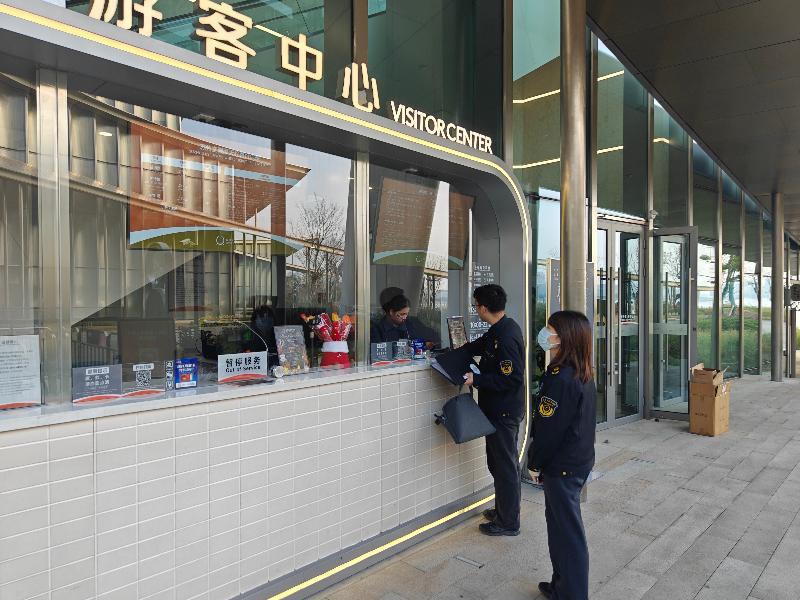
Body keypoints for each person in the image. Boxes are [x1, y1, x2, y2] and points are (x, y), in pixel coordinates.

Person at [527, 310, 596, 600]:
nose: (545, 334)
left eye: (549, 329)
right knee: (559, 528)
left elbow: (549, 429)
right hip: (577, 461)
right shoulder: (581, 370)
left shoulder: (562, 377)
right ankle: (562, 586)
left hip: (563, 466)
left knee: (567, 534)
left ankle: (572, 594)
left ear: (563, 336)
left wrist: (534, 462)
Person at [461, 284, 525, 536]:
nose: (476, 309)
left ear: (483, 308)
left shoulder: (506, 336)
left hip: (504, 412)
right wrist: (456, 350)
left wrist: (476, 380)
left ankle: (508, 522)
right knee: (498, 464)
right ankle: (503, 510)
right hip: (497, 410)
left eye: (476, 305)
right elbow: (478, 346)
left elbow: (511, 378)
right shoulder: (499, 329)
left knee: (505, 467)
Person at [370, 290, 440, 346]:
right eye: (402, 314)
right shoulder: (377, 329)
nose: (405, 317)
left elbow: (432, 337)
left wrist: (427, 343)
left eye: (407, 314)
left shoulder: (411, 323)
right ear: (391, 312)